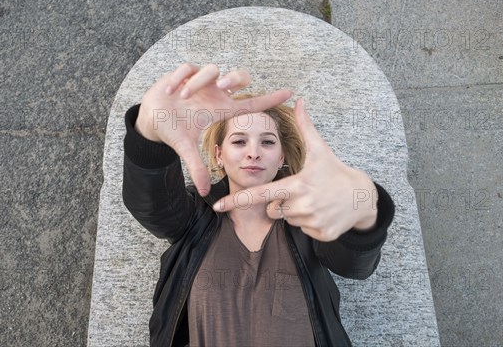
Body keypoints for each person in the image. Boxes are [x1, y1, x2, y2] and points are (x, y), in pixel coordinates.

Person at [122, 63, 395, 346]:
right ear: (218, 155)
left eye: (267, 142)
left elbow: (355, 266)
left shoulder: (309, 220)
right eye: (239, 141)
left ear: (281, 158)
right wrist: (150, 134)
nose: (253, 153)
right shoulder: (193, 216)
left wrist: (363, 205)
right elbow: (150, 203)